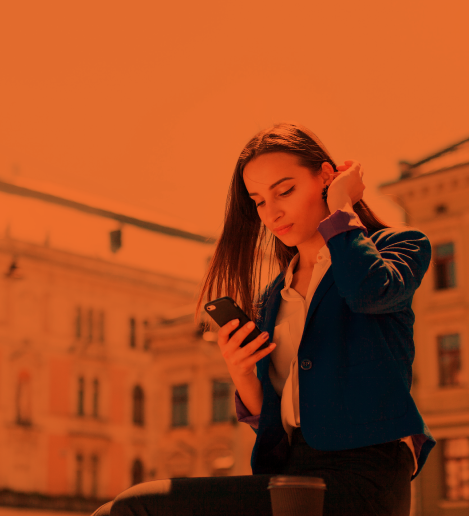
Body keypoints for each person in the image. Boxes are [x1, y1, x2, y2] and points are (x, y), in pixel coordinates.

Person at [91, 122, 436, 516]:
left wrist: (341, 210)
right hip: (292, 474)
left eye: (284, 191)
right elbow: (275, 425)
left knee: (136, 508)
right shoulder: (273, 296)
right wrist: (241, 374)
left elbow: (367, 292)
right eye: (258, 201)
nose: (271, 212)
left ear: (326, 176)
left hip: (363, 476)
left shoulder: (398, 247)